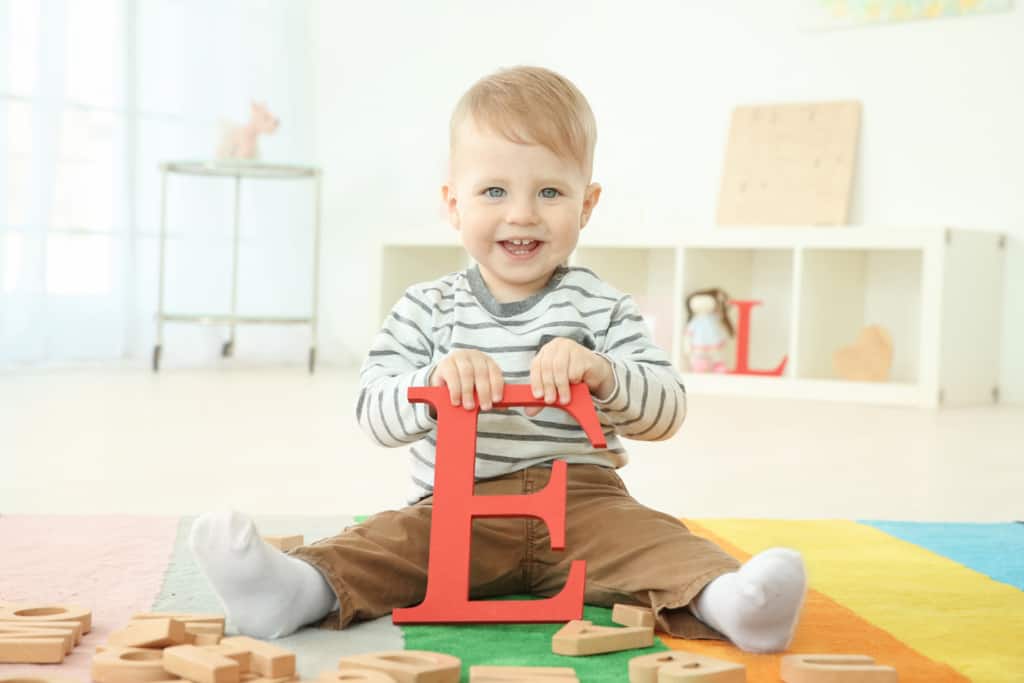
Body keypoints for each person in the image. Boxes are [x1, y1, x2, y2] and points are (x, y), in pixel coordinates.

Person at [189, 66, 806, 653]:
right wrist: (431, 381)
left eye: (549, 191)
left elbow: (667, 410)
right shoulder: (426, 309)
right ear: (453, 204)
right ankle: (292, 592)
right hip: (453, 507)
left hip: (585, 506)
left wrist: (605, 373)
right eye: (493, 191)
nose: (522, 213)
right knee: (384, 545)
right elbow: (372, 413)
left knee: (658, 542)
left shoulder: (603, 307)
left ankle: (735, 603)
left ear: (586, 205)